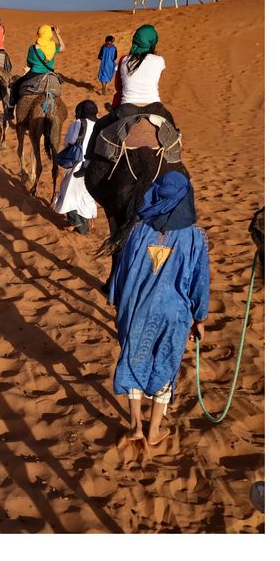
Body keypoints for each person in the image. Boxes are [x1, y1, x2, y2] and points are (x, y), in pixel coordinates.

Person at [109, 172, 209, 446]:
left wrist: (117, 301)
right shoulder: (195, 237)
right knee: (165, 362)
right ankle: (154, 431)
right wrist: (199, 319)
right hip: (174, 314)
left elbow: (121, 271)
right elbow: (200, 281)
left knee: (133, 359)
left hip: (136, 309)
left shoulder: (136, 230)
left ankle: (135, 427)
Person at [54, 100, 99, 234]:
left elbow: (70, 140)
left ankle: (77, 223)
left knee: (68, 191)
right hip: (95, 164)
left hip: (79, 162)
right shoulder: (100, 123)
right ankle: (84, 221)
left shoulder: (79, 123)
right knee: (86, 194)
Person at [7, 24, 65, 112]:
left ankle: (10, 111)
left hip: (34, 74)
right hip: (50, 74)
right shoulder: (52, 47)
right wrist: (57, 34)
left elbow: (29, 64)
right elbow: (63, 48)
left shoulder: (33, 48)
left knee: (16, 86)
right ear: (49, 34)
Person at [113, 24, 166, 107]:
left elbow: (118, 87)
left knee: (103, 120)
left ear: (135, 40)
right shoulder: (159, 60)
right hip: (154, 106)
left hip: (127, 107)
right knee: (169, 119)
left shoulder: (123, 60)